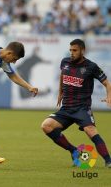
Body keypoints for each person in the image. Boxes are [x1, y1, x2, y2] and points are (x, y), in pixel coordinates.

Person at [41, 39, 111, 168]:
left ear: (82, 51)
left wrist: (109, 97)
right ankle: (74, 151)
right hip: (66, 108)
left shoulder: (91, 66)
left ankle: (108, 160)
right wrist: (60, 92)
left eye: (75, 50)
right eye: (70, 50)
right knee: (46, 126)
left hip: (82, 108)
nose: (72, 53)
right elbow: (63, 75)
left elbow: (107, 83)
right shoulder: (65, 62)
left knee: (90, 131)